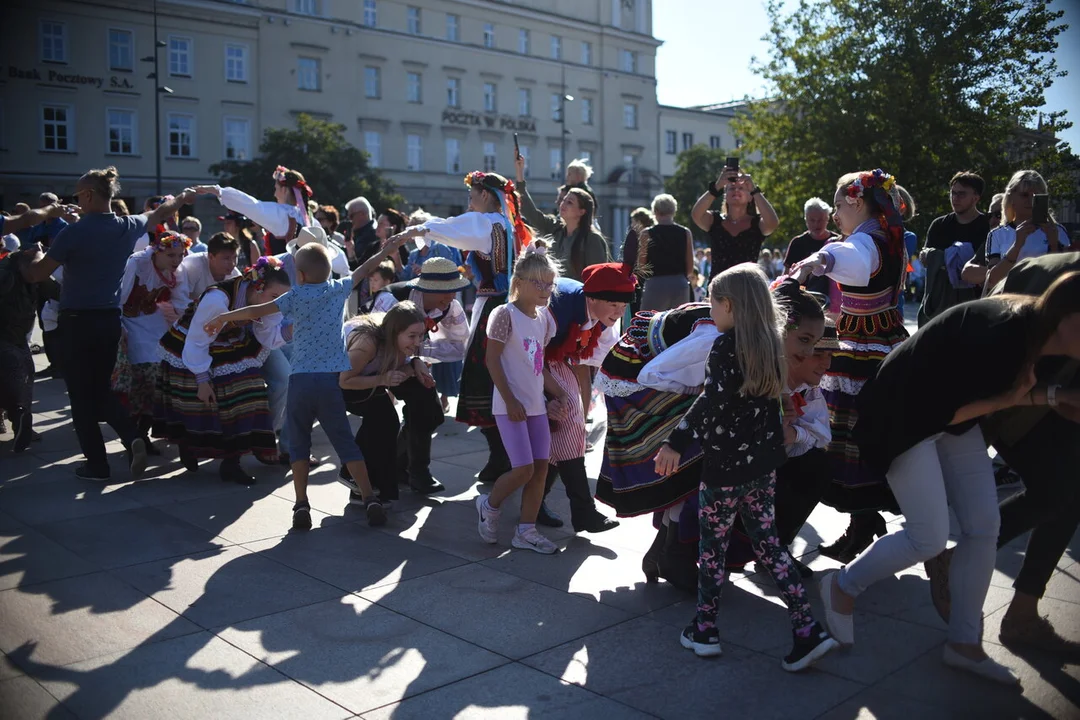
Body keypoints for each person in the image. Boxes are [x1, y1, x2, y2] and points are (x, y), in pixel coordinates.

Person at [820, 272, 1080, 684]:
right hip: (903, 415)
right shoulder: (1006, 333)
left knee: (984, 526)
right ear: (1068, 316)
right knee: (928, 537)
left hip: (946, 412)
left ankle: (964, 644)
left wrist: (1053, 396)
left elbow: (986, 397)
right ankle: (843, 586)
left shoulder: (1037, 330)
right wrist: (1026, 398)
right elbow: (949, 411)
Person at [654, 263, 838, 671]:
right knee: (770, 547)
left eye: (714, 303)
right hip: (763, 467)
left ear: (731, 305)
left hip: (724, 471)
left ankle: (704, 629)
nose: (710, 310)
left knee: (713, 551)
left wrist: (675, 442)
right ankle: (808, 628)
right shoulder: (773, 345)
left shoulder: (725, 347)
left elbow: (711, 405)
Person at [926, 252, 1080, 655]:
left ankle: (1021, 615)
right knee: (1059, 490)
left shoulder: (1044, 263)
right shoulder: (1054, 277)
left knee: (1067, 492)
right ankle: (963, 562)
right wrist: (1052, 395)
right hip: (1003, 397)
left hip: (1022, 396)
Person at [203, 237, 408, 529]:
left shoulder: (295, 297)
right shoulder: (338, 289)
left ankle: (301, 504)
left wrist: (223, 317)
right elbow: (363, 269)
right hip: (329, 382)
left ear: (299, 275)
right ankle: (369, 497)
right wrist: (386, 251)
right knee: (345, 443)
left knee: (299, 443)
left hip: (300, 381)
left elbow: (256, 312)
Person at [23, 166, 192, 481]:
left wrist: (32, 256)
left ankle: (98, 464)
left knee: (80, 395)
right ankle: (132, 436)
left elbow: (36, 275)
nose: (77, 201)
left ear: (88, 195)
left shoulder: (72, 233)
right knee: (101, 388)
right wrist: (184, 197)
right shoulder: (127, 226)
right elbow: (160, 213)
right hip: (110, 322)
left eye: (77, 196)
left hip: (77, 323)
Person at [790, 168, 915, 563]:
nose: (835, 214)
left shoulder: (867, 241)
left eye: (839, 205)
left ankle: (864, 521)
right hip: (883, 335)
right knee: (859, 433)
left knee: (849, 434)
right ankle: (864, 522)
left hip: (864, 344)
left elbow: (848, 258)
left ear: (857, 202)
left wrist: (815, 261)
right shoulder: (886, 237)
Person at [393, 170, 532, 487]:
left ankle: (502, 456)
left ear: (485, 195)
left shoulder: (486, 223)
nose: (470, 203)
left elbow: (452, 229)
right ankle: (504, 455)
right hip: (509, 304)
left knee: (484, 378)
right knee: (502, 377)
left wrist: (414, 230)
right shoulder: (507, 226)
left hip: (493, 309)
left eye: (472, 196)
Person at [155, 257, 291, 484]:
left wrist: (293, 329)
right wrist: (202, 378)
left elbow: (267, 334)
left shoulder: (267, 303)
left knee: (249, 391)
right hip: (193, 341)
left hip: (228, 339)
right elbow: (197, 341)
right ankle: (189, 444)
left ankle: (232, 462)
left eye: (282, 299)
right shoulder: (218, 299)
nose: (277, 304)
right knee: (201, 398)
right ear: (258, 287)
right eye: (274, 297)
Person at [476, 243, 561, 554]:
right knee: (523, 469)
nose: (546, 290)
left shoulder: (545, 318)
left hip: (536, 407)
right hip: (509, 407)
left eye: (550, 283)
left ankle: (525, 531)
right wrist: (510, 400)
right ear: (520, 282)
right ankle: (489, 505)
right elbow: (492, 361)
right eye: (539, 283)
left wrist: (559, 393)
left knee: (540, 470)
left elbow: (538, 365)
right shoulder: (504, 314)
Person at [537, 262, 632, 533]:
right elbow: (527, 355)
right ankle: (581, 512)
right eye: (614, 304)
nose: (619, 311)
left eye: (623, 305)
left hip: (553, 362)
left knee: (567, 432)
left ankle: (537, 505)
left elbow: (610, 360)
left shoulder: (606, 320)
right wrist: (549, 397)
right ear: (591, 297)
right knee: (567, 428)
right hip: (527, 363)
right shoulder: (558, 308)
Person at [383, 256, 471, 482]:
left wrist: (419, 355)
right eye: (446, 290)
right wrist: (414, 360)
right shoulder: (391, 299)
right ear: (426, 288)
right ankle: (415, 472)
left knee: (430, 413)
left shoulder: (450, 306)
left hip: (409, 362)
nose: (451, 296)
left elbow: (460, 344)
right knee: (381, 421)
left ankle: (399, 467)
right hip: (373, 363)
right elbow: (376, 341)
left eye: (454, 289)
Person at [339, 302, 433, 505]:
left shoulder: (401, 344)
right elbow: (344, 381)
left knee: (418, 404)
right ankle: (353, 473)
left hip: (371, 377)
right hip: (337, 384)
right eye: (412, 336)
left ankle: (381, 482)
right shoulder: (367, 343)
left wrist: (416, 364)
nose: (417, 342)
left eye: (420, 335)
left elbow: (402, 367)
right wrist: (383, 380)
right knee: (383, 418)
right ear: (394, 332)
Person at [113, 229, 189, 453]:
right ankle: (135, 434)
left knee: (162, 375)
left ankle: (142, 433)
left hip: (153, 321)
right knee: (142, 378)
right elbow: (119, 297)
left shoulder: (179, 271)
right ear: (157, 250)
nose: (177, 260)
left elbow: (181, 302)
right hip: (129, 323)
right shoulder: (137, 263)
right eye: (171, 255)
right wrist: (119, 331)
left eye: (180, 255)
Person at [0, 243, 59, 452]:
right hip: (4, 335)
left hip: (18, 335)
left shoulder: (36, 272)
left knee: (26, 372)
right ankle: (17, 417)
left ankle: (21, 421)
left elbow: (57, 292)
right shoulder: (5, 274)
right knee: (13, 371)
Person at [515, 155, 610, 282]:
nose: (562, 204)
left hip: (579, 299)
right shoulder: (556, 228)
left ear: (582, 211)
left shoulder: (592, 239)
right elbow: (531, 212)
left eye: (569, 202)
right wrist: (520, 172)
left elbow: (598, 280)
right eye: (563, 200)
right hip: (554, 295)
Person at [192, 165, 311, 258]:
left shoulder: (282, 213)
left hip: (288, 279)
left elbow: (252, 206)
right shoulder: (309, 219)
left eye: (276, 189)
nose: (274, 194)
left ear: (284, 190)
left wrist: (217, 191)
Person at [983, 169, 1070, 292]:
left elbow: (1067, 275)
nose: (1030, 201)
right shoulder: (997, 234)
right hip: (1009, 302)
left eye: (1036, 196)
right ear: (1011, 197)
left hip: (1046, 302)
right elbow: (992, 280)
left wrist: (1054, 245)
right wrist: (1017, 246)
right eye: (1024, 195)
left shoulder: (1057, 230)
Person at [691, 164, 779, 278]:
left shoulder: (757, 223)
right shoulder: (715, 220)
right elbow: (696, 214)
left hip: (747, 289)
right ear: (725, 196)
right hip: (719, 289)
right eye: (731, 188)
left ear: (750, 197)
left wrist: (755, 190)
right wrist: (717, 186)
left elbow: (773, 223)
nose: (736, 190)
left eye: (741, 188)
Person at [638, 194, 694, 311]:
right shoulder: (685, 232)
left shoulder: (646, 234)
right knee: (679, 324)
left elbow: (642, 266)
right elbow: (690, 269)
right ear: (674, 211)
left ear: (655, 211)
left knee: (649, 323)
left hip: (655, 284)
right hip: (679, 284)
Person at [172, 232, 242, 316]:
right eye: (226, 258)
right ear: (211, 256)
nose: (232, 263)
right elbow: (179, 301)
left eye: (235, 257)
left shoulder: (236, 276)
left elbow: (239, 307)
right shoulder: (193, 265)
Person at [399, 209, 464, 282]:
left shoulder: (440, 248)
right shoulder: (414, 254)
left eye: (411, 229)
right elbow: (405, 278)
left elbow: (449, 274)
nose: (408, 232)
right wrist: (395, 255)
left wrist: (424, 271)